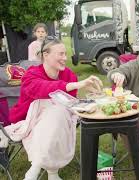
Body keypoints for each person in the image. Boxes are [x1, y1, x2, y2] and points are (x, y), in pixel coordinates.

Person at [9, 37, 103, 180]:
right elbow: (41, 89)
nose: (65, 58)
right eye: (60, 54)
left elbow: (70, 102)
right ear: (46, 55)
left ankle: (37, 165)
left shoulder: (68, 75)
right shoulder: (32, 74)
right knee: (51, 105)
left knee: (58, 110)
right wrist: (73, 86)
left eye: (65, 54)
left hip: (58, 120)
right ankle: (53, 172)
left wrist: (92, 97)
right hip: (30, 119)